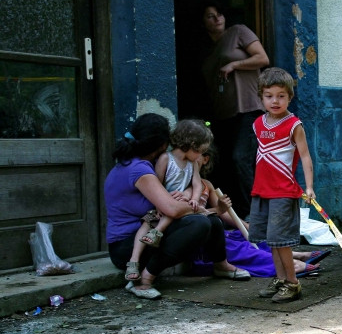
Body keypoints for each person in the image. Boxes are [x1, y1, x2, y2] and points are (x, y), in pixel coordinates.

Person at [105, 113, 250, 300]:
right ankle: (144, 280)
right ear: (161, 144)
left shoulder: (136, 164)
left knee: (212, 222)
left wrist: (199, 205)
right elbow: (171, 209)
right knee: (200, 224)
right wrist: (198, 206)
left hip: (147, 233)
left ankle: (221, 265)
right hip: (127, 246)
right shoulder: (140, 170)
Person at [191, 145, 329, 279]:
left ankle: (294, 255)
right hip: (207, 238)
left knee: (249, 236)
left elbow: (224, 214)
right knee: (238, 248)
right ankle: (285, 265)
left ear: (205, 159)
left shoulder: (206, 185)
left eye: (197, 153)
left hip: (220, 233)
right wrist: (216, 209)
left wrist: (246, 226)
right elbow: (192, 215)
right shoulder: (183, 187)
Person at [249, 67, 315, 303]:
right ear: (261, 97)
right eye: (269, 96)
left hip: (283, 191)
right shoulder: (257, 124)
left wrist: (309, 187)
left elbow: (305, 156)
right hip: (262, 191)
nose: (275, 101)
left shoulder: (294, 125)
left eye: (281, 95)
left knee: (282, 242)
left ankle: (293, 284)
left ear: (290, 97)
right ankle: (280, 279)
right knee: (271, 241)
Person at [201, 1, 270, 216]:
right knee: (221, 163)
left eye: (219, 14)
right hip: (222, 114)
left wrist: (234, 65)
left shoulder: (238, 32)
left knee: (240, 157)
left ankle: (254, 213)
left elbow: (262, 58)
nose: (217, 18)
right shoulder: (208, 50)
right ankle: (234, 214)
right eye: (210, 16)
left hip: (247, 108)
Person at [125, 119, 213, 281]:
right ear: (192, 145)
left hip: (176, 204)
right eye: (200, 150)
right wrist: (160, 203)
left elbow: (197, 184)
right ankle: (134, 261)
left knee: (175, 213)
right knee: (147, 223)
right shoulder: (166, 158)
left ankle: (157, 232)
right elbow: (156, 182)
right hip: (163, 202)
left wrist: (194, 199)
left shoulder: (192, 164)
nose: (201, 155)